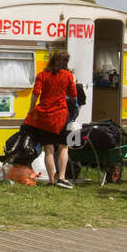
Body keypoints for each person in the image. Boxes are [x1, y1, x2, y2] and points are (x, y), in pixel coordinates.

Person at [24, 49, 76, 187]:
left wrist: (31, 109)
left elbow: (35, 93)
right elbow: (73, 94)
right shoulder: (68, 75)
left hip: (45, 116)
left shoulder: (42, 74)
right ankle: (62, 177)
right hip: (61, 115)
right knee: (63, 146)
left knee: (48, 149)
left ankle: (51, 180)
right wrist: (73, 81)